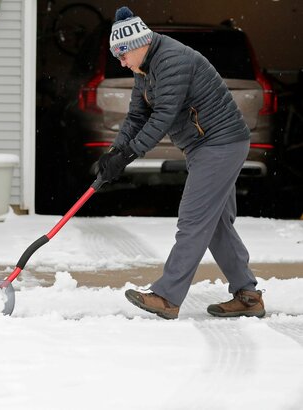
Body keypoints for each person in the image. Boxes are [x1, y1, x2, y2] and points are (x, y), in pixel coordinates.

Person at [97, 6, 265, 319]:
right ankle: (248, 296)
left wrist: (130, 154)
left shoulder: (172, 59)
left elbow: (163, 116)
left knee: (193, 219)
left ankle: (167, 297)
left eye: (122, 55)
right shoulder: (144, 69)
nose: (121, 63)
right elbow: (137, 115)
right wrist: (115, 153)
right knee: (215, 225)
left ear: (138, 44)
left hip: (221, 144)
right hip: (205, 146)